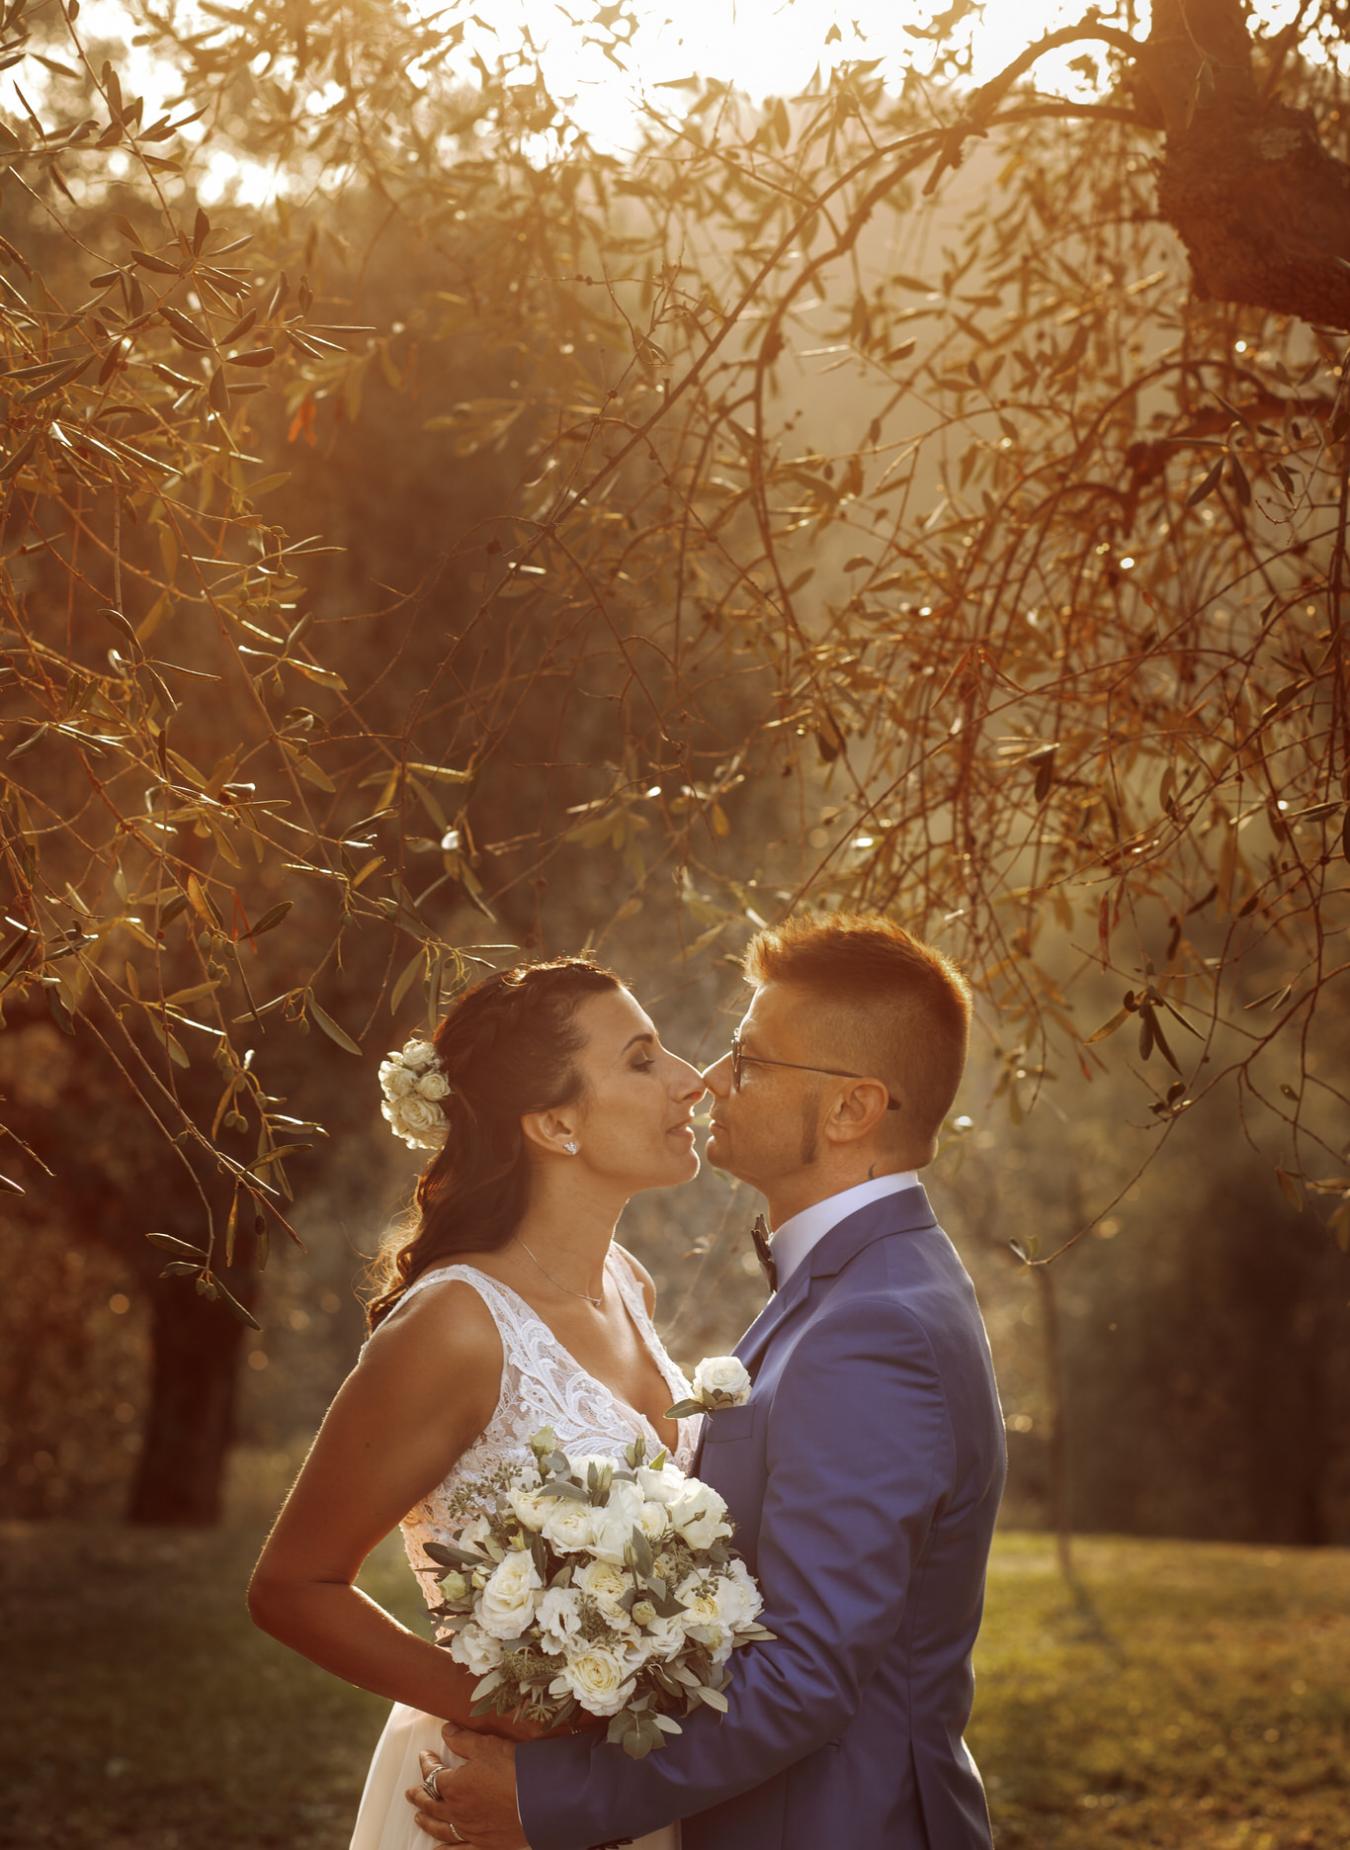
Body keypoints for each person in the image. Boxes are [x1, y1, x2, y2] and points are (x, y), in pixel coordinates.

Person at [410, 911, 1006, 1850]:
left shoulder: (872, 1328)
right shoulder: (861, 1284)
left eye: (751, 1061)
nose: (711, 1079)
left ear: (852, 1109)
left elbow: (807, 1676)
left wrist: (545, 1797)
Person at [246, 956, 708, 1850]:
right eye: (643, 1060)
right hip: (490, 1792)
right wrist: (508, 1710)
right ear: (555, 1123)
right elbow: (291, 1588)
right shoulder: (456, 1324)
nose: (690, 1081)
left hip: (634, 1786)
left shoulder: (630, 1285)